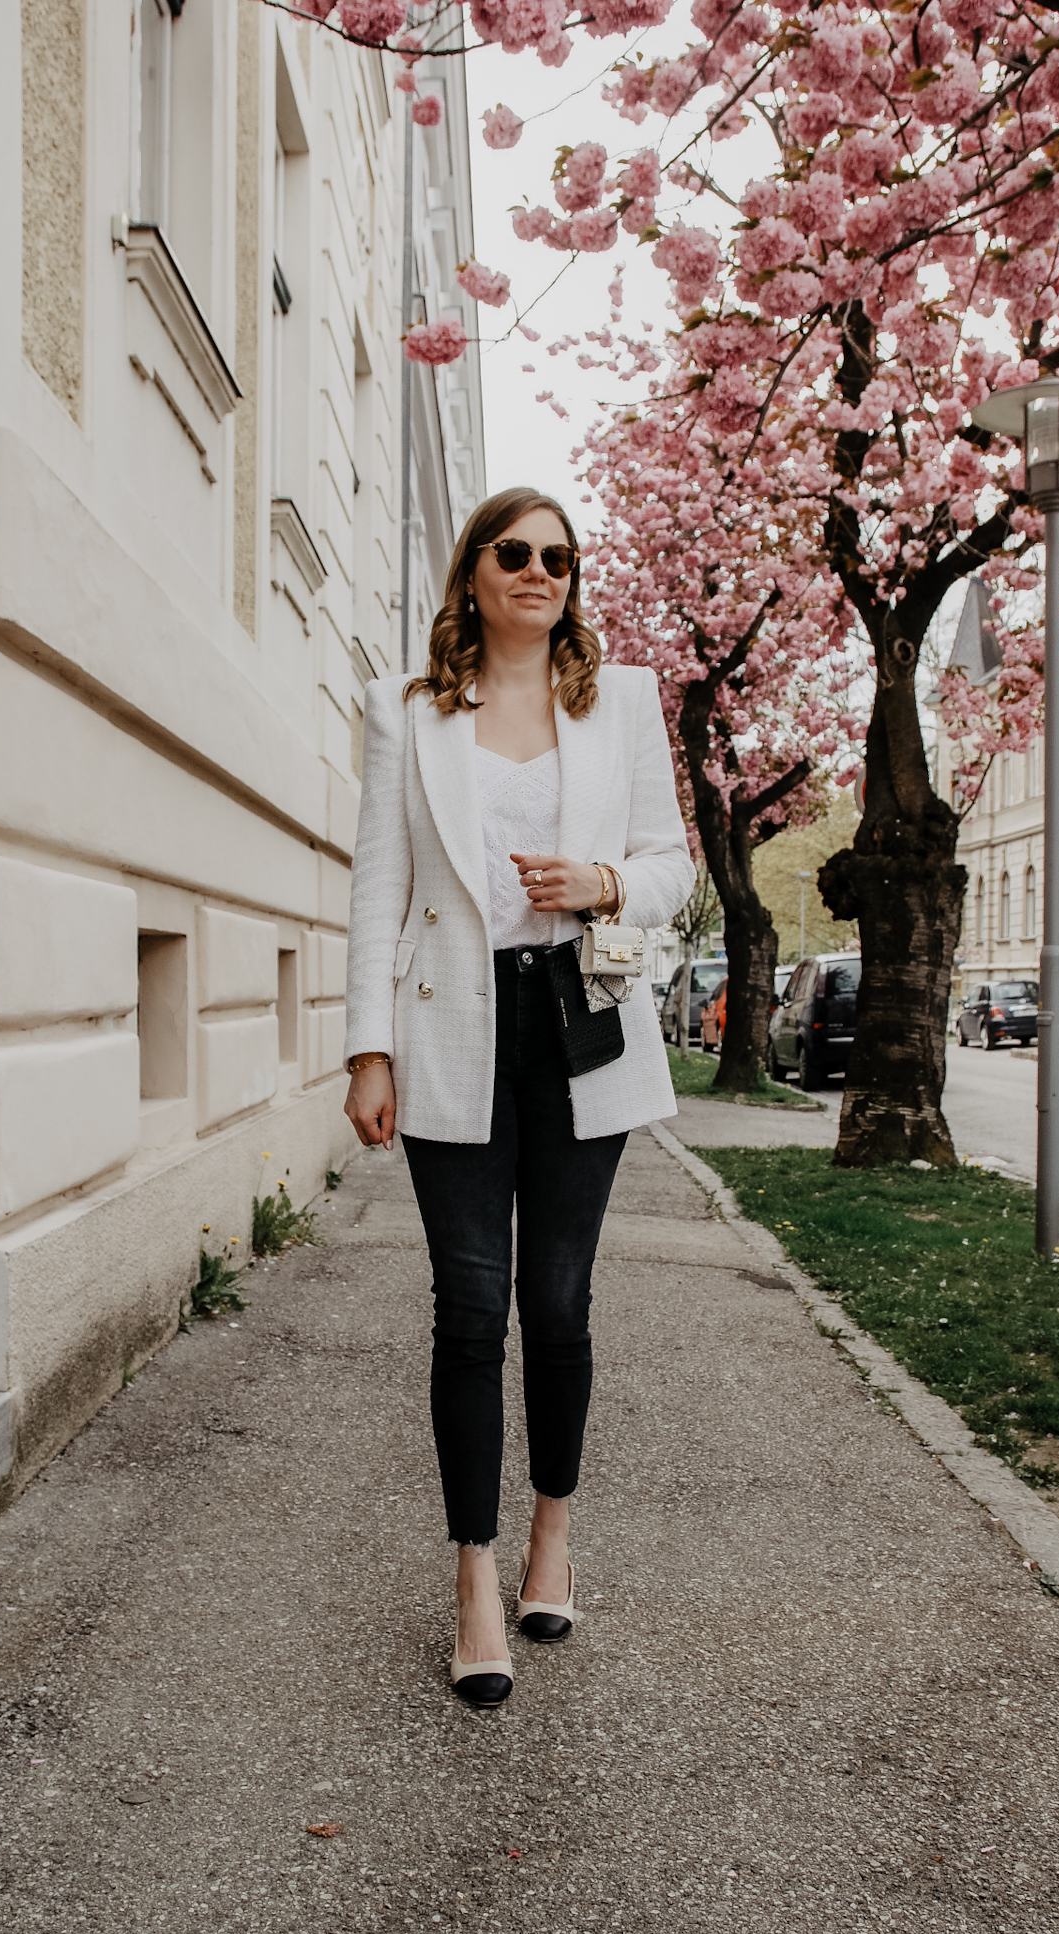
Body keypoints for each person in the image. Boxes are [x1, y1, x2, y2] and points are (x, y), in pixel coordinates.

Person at [342, 487, 695, 1707]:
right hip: (450, 1026)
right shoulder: (411, 712)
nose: (538, 571)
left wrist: (601, 880)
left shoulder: (623, 701)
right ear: (474, 570)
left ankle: (551, 1531)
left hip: (577, 1025)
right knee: (466, 1306)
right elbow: (376, 890)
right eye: (514, 552)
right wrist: (365, 1050)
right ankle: (474, 1574)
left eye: (558, 556)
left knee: (556, 1298)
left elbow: (671, 870)